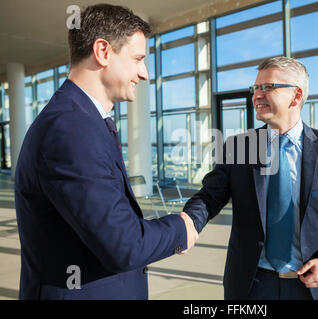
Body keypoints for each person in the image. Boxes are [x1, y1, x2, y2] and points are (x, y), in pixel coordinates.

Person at [14, 4, 198, 300]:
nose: (145, 74)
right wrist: (180, 228)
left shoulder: (79, 120)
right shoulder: (70, 128)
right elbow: (125, 245)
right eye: (138, 59)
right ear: (102, 52)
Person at [182, 56, 318, 300]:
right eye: (256, 88)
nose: (257, 95)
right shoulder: (240, 147)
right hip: (251, 286)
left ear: (297, 95)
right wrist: (188, 222)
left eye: (268, 87)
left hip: (312, 287)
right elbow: (209, 197)